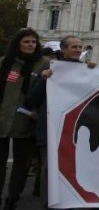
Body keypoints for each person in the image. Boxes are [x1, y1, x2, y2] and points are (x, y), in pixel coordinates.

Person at [25, 35, 96, 210]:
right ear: (63, 49)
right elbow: (32, 100)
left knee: (75, 170)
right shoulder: (49, 69)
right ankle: (48, 204)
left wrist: (98, 73)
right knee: (50, 171)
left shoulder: (88, 70)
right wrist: (44, 79)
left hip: (76, 132)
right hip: (51, 130)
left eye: (80, 47)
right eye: (74, 47)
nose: (78, 50)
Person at [0, 28, 50, 209]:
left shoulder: (44, 63)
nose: (30, 45)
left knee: (21, 163)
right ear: (18, 44)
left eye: (33, 42)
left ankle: (13, 197)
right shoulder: (6, 62)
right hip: (4, 117)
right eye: (26, 42)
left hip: (28, 119)